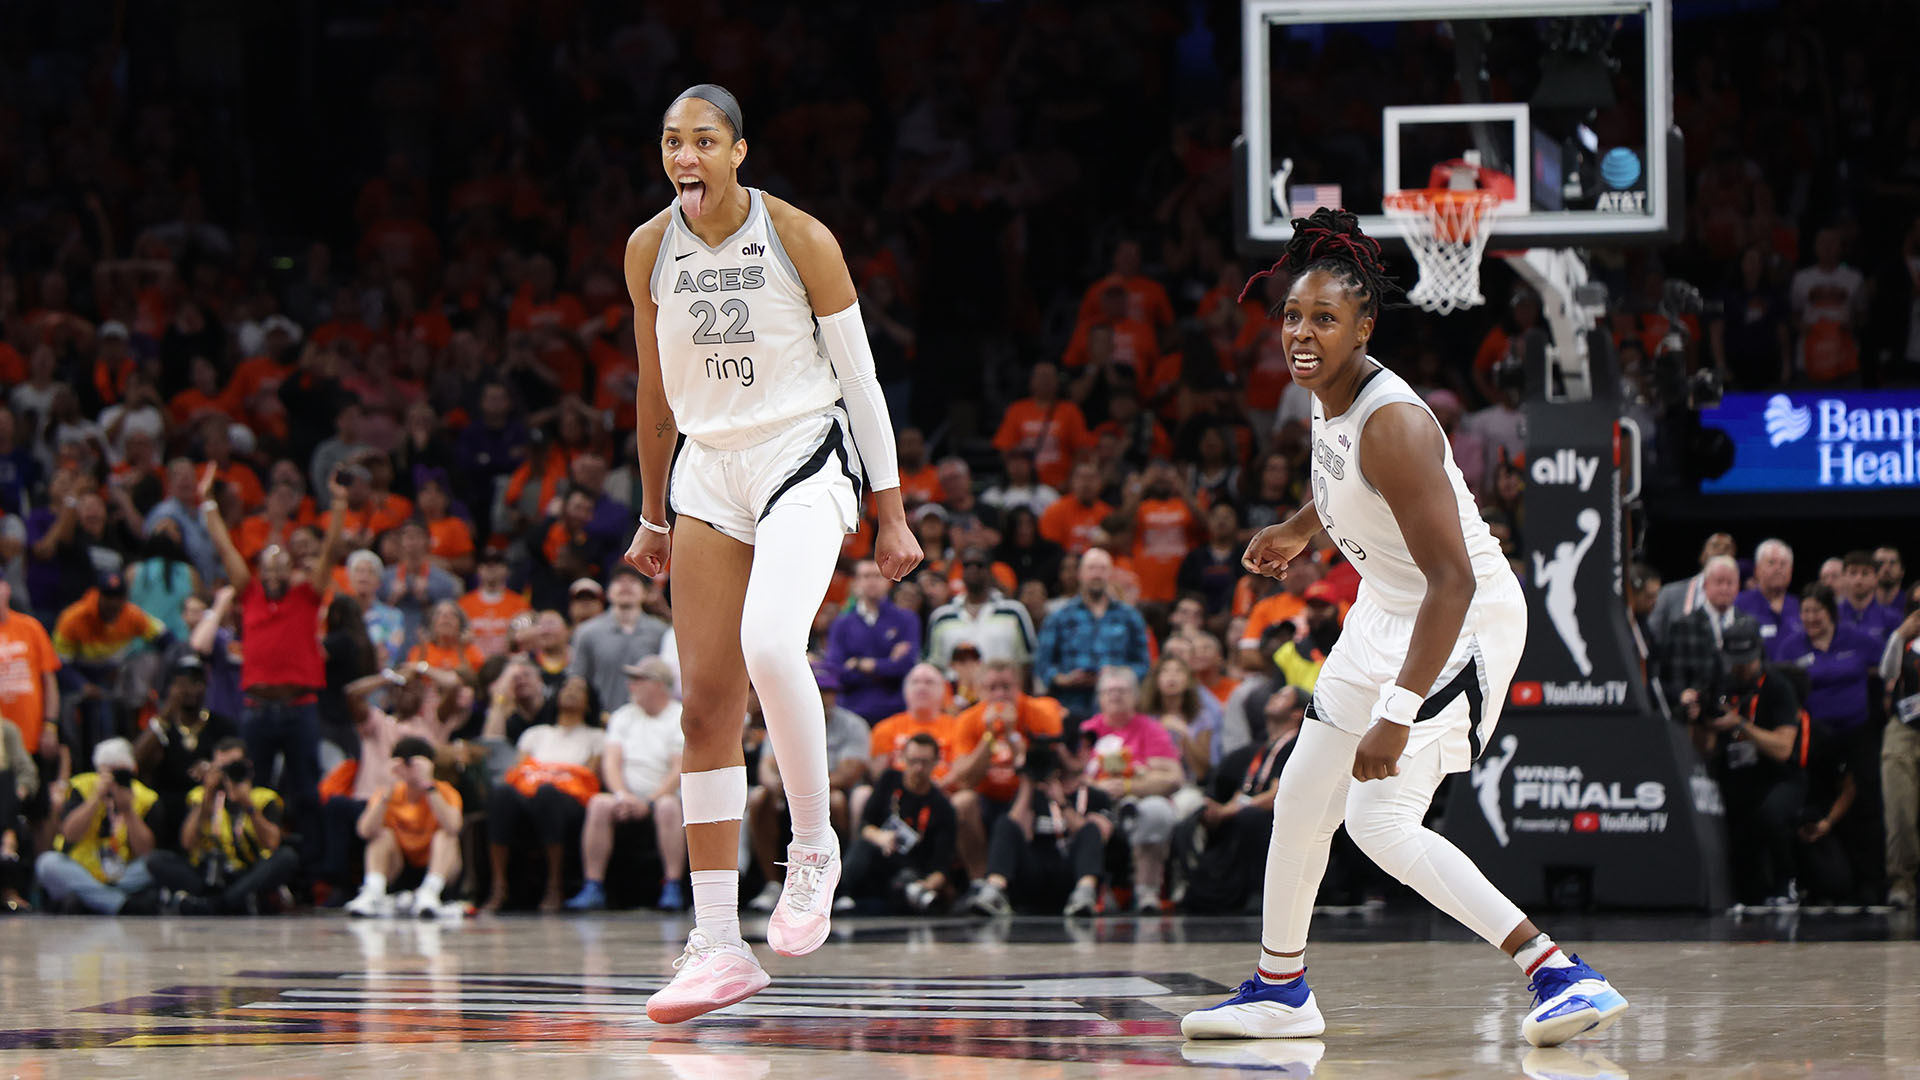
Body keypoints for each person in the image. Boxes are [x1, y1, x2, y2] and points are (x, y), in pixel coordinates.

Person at [1182, 210, 1625, 1048]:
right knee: (1303, 797)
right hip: (1386, 607)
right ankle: (1281, 990)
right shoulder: (1328, 392)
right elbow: (1347, 479)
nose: (1301, 333)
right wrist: (1300, 529)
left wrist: (1398, 706)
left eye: (1323, 319)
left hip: (1458, 622)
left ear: (1364, 328)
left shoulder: (1397, 422)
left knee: (1379, 824)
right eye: (1292, 316)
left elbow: (1452, 580)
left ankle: (1562, 973)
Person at [622, 85, 921, 1022]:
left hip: (802, 450)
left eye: (704, 140)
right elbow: (652, 391)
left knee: (768, 646)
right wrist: (652, 515)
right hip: (707, 472)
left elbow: (863, 380)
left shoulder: (800, 237)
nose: (686, 156)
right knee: (704, 705)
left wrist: (892, 510)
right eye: (673, 141)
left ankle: (813, 845)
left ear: (739, 151)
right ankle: (717, 944)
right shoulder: (647, 248)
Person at [202, 465, 347, 856]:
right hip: (258, 708)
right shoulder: (248, 595)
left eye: (281, 564)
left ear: (293, 569)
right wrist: (209, 504)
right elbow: (226, 549)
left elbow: (332, 549)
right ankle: (252, 859)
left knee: (306, 792)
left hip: (300, 707)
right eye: (267, 564)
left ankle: (317, 872)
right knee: (252, 788)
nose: (274, 570)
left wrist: (338, 502)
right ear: (260, 570)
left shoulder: (306, 596)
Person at [1775, 583, 1883, 902]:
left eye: (1817, 611)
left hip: (1856, 733)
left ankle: (1871, 885)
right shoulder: (1791, 646)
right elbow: (1782, 686)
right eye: (1805, 611)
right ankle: (1813, 880)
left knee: (1864, 804)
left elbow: (1884, 669)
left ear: (1831, 612)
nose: (1811, 618)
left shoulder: (1857, 640)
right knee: (1815, 802)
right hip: (1814, 739)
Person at [1685, 626, 1806, 908]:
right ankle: (1747, 891)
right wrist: (1698, 720)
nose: (1742, 667)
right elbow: (1707, 748)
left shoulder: (1778, 686)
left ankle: (1786, 882)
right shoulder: (1720, 686)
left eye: (1747, 660)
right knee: (1732, 829)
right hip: (1737, 778)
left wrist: (1741, 724)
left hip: (1779, 775)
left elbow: (1783, 747)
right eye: (1736, 661)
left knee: (1771, 813)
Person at [565, 658, 687, 912]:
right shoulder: (623, 716)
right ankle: (593, 884)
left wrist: (649, 801)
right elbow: (612, 763)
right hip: (627, 795)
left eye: (638, 679)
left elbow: (679, 768)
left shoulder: (678, 717)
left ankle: (672, 883)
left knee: (667, 807)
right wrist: (622, 795)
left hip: (664, 793)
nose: (631, 685)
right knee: (599, 803)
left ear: (658, 685)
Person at [483, 674, 605, 912]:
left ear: (588, 702)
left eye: (578, 690)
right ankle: (498, 886)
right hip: (532, 791)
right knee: (502, 793)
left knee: (548, 795)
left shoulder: (596, 737)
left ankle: (554, 885)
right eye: (566, 688)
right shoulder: (535, 734)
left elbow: (589, 778)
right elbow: (518, 772)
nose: (570, 692)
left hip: (568, 799)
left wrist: (550, 776)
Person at [1181, 686, 1307, 915]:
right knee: (1196, 817)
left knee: (1252, 817)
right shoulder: (1260, 748)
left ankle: (1259, 893)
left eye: (1282, 696)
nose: (1273, 696)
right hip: (1248, 809)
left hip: (1284, 817)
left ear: (1297, 713)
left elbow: (1277, 796)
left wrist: (1230, 810)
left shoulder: (1297, 744)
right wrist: (1217, 810)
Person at [152, 737, 299, 914]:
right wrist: (207, 794)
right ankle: (230, 901)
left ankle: (215, 904)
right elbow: (187, 843)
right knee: (156, 860)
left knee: (287, 857)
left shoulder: (264, 798)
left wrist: (247, 804)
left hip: (248, 872)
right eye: (223, 768)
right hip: (209, 873)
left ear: (247, 766)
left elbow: (272, 843)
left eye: (234, 767)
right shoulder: (199, 796)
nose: (228, 774)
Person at [1080, 666, 1185, 912]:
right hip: (1096, 801)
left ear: (1135, 696)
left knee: (1156, 811)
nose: (1115, 696)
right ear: (1100, 698)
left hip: (1140, 799)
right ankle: (1088, 890)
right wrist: (1098, 786)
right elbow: (1071, 776)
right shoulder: (1086, 731)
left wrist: (1130, 786)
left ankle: (1146, 891)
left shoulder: (1151, 729)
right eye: (1109, 691)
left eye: (1121, 690)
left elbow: (1174, 777)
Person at [35, 738, 162, 914]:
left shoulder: (146, 798)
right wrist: (96, 798)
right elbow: (69, 834)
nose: (115, 780)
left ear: (133, 770)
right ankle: (120, 904)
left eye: (121, 774)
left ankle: (92, 900)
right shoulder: (82, 786)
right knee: (47, 863)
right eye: (109, 773)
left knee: (157, 865)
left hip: (124, 874)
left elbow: (146, 852)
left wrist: (128, 810)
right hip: (82, 871)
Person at [344, 736, 464, 919]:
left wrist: (428, 785)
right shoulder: (389, 793)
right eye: (407, 764)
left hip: (436, 867)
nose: (412, 770)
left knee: (447, 836)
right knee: (381, 835)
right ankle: (372, 892)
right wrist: (387, 791)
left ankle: (430, 892)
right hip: (399, 866)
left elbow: (453, 827)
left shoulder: (444, 792)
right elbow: (364, 830)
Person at [843, 733, 956, 913]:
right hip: (880, 856)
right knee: (863, 846)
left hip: (911, 870)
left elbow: (941, 866)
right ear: (903, 759)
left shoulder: (942, 807)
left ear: (936, 762)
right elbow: (865, 825)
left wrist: (926, 885)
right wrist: (881, 836)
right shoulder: (889, 780)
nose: (918, 768)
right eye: (913, 761)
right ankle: (841, 893)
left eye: (925, 762)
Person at [1034, 547, 1151, 719]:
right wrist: (1063, 678)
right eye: (1091, 568)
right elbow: (1042, 664)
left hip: (1117, 706)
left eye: (1102, 569)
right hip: (1071, 703)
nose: (1097, 574)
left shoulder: (1130, 616)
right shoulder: (1059, 617)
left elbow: (1143, 663)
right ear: (1080, 574)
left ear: (1110, 574)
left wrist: (1117, 675)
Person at [824, 559, 922, 725]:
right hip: (852, 710)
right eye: (866, 576)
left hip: (896, 710)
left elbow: (906, 666)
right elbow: (836, 671)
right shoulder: (841, 624)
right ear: (856, 582)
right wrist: (887, 664)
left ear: (889, 581)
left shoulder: (906, 619)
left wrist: (859, 664)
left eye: (877, 576)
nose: (871, 582)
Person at [1658, 556, 1759, 716]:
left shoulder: (1749, 625)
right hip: (1695, 716)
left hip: (1739, 715)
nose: (1725, 588)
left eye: (1730, 583)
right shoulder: (1683, 625)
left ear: (1738, 586)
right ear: (1705, 585)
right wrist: (1682, 694)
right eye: (1719, 582)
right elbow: (1671, 676)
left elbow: (1757, 674)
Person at [924, 546, 1037, 676]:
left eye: (979, 565)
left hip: (1001, 692)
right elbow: (933, 666)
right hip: (955, 694)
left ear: (990, 571)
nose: (973, 569)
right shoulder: (942, 616)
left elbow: (1027, 662)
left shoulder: (1014, 612)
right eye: (967, 565)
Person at [569, 566, 668, 710]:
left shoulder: (660, 631)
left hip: (650, 720)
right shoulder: (587, 632)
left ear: (645, 593)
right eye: (619, 581)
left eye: (633, 581)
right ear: (608, 592)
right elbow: (578, 679)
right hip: (602, 720)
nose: (626, 585)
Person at [1881, 608, 1920, 909]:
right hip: (1905, 727)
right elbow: (1887, 673)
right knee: (1901, 810)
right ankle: (1901, 880)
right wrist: (1898, 635)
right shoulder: (1905, 643)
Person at [1736, 539, 1802, 655]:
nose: (1778, 568)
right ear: (1757, 570)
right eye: (1771, 562)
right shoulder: (1738, 604)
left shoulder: (1801, 607)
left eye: (1783, 564)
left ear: (1791, 571)